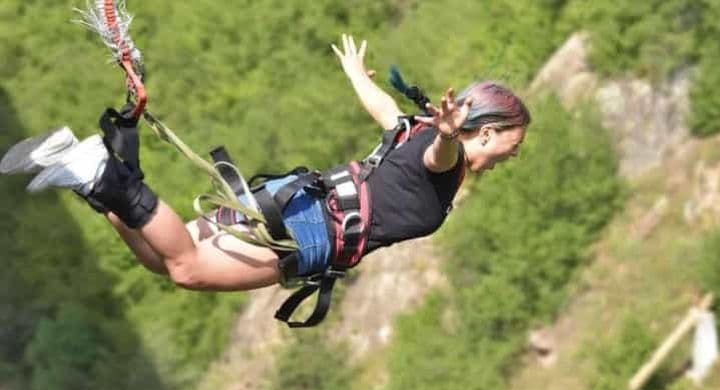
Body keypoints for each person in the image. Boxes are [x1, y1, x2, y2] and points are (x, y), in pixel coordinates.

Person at [1, 34, 528, 311]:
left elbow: (384, 112)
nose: (513, 154)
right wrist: (445, 134)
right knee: (187, 269)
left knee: (167, 262)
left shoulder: (412, 129)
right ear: (485, 132)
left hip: (296, 202)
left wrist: (354, 76)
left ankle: (90, 174)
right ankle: (99, 170)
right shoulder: (444, 156)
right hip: (307, 229)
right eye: (513, 142)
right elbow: (441, 156)